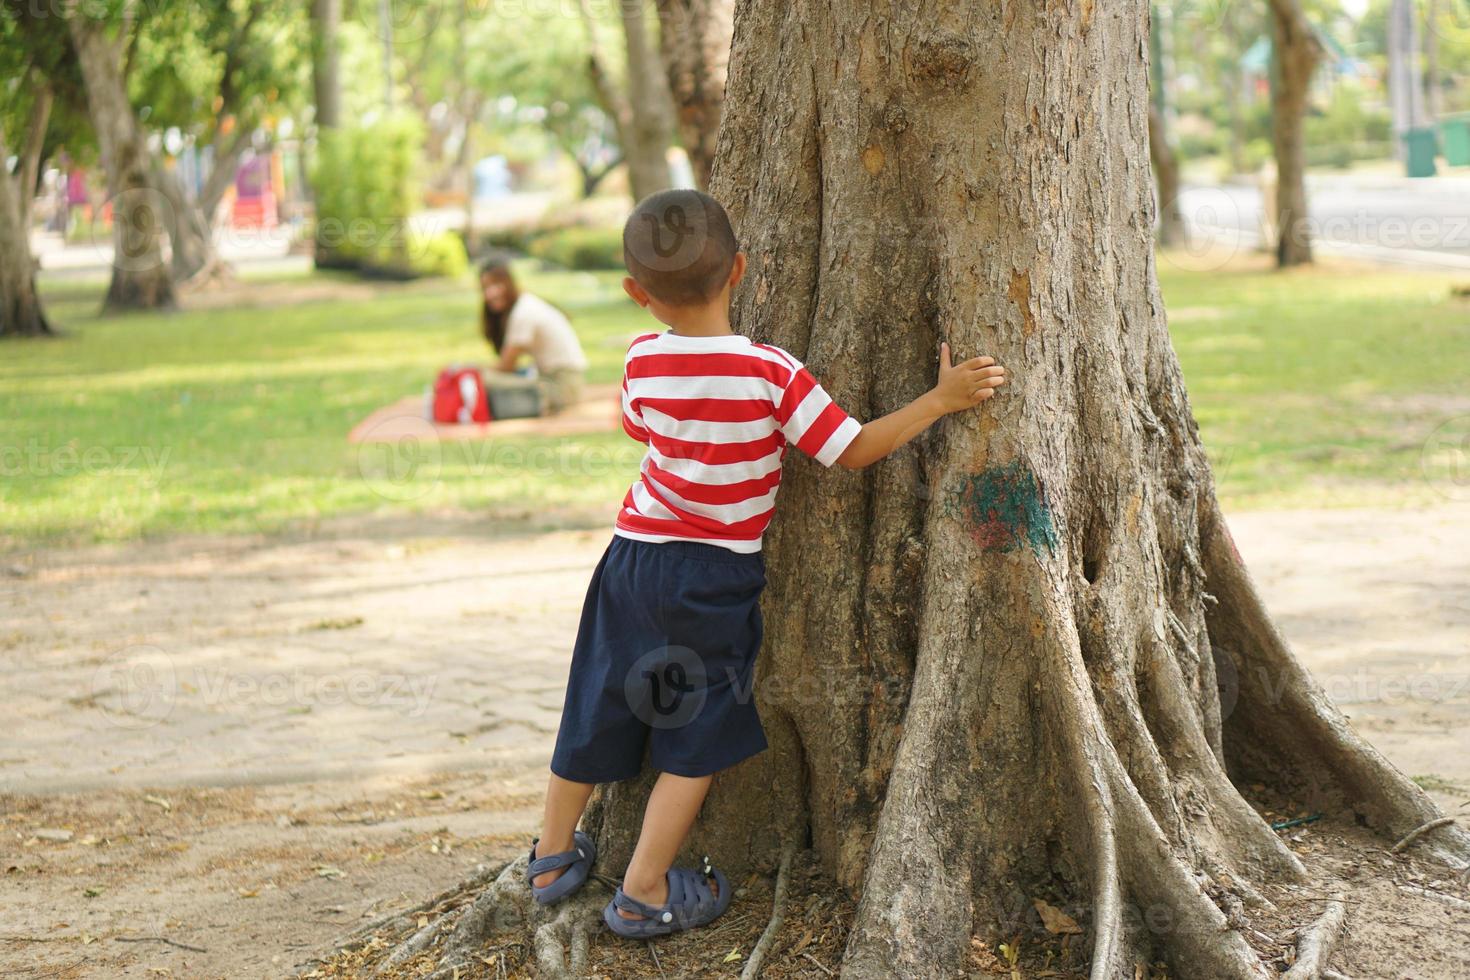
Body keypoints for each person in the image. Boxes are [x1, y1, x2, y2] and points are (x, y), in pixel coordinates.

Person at [523, 190, 1007, 937]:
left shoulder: (641, 358)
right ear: (741, 270)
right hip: (711, 581)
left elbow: (635, 427)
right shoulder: (771, 373)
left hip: (630, 562)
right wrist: (938, 401)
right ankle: (644, 889)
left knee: (595, 696)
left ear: (635, 293)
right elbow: (852, 449)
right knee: (694, 735)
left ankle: (553, 856)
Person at [479, 256, 588, 414]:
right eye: (485, 287)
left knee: (483, 380)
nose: (490, 293)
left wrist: (477, 371)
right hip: (564, 381)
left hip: (562, 385)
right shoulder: (526, 303)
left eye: (496, 284)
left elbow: (506, 366)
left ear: (509, 282)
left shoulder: (523, 312)